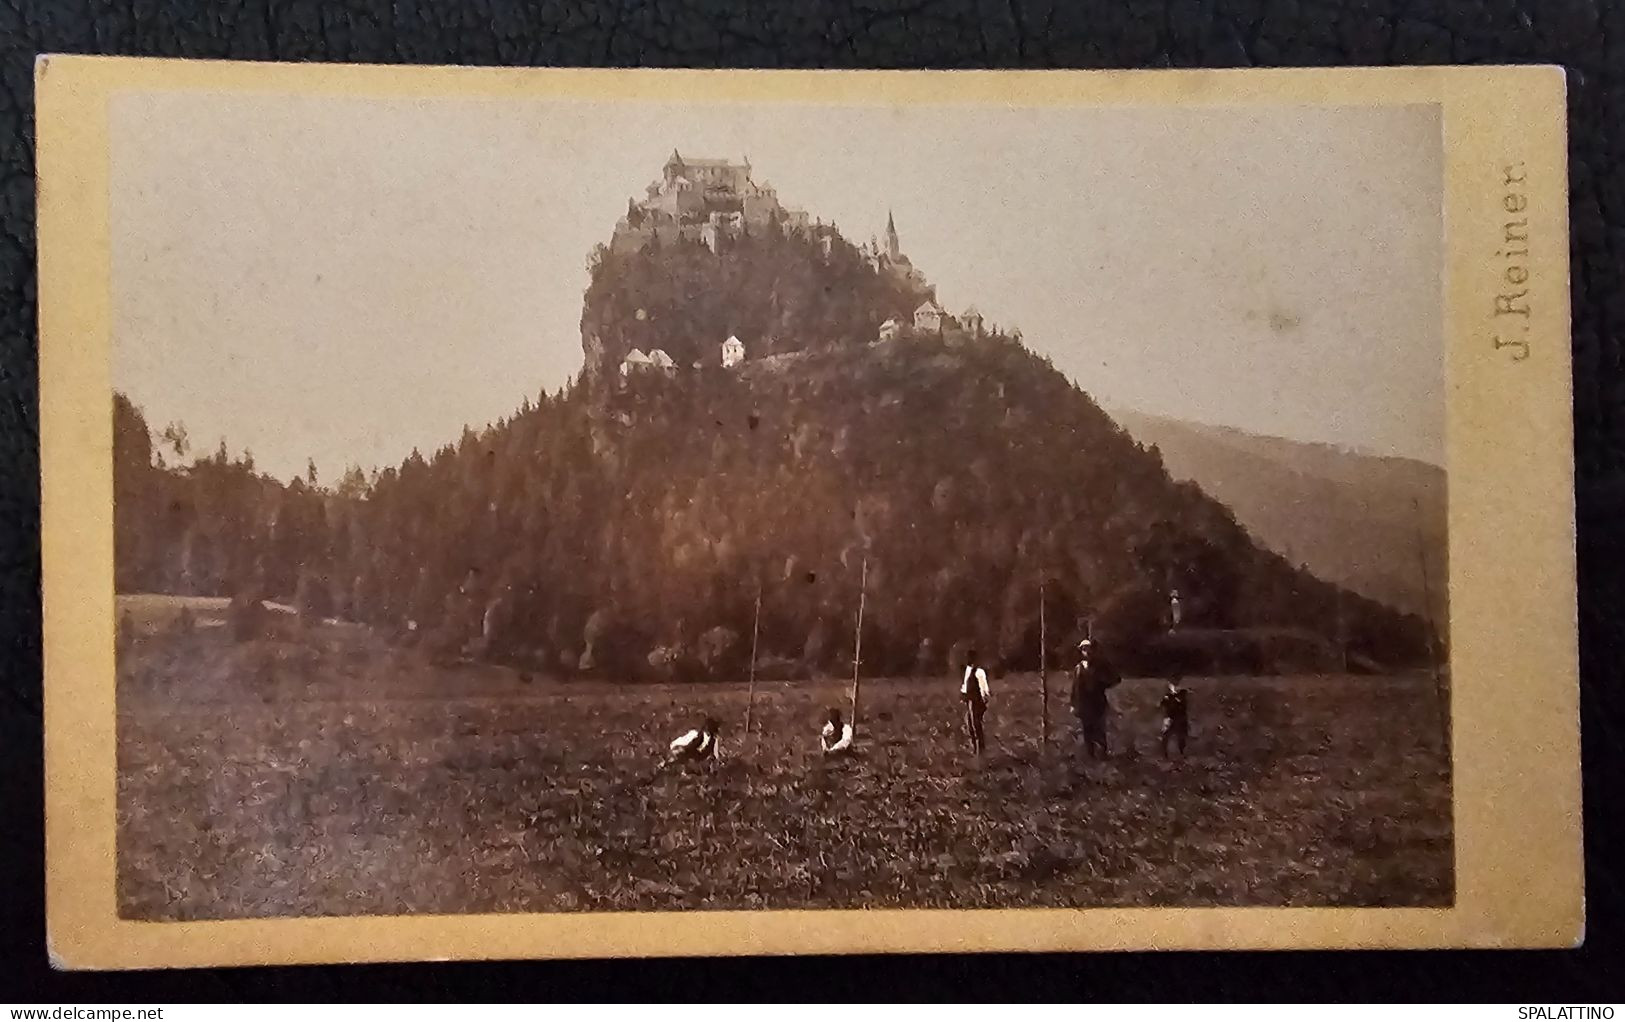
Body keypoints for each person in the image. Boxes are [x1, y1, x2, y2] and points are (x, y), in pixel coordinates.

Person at [1070, 638, 1120, 760]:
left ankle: (1102, 754)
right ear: (1081, 651)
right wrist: (1073, 704)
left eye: (1088, 649)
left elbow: (1115, 678)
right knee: (1087, 730)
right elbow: (1075, 688)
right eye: (1084, 649)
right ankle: (1090, 755)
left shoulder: (1101, 666)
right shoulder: (1078, 668)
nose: (1087, 651)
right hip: (1084, 704)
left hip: (1098, 703)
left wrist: (1102, 683)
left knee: (1099, 728)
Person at [960, 648, 991, 755]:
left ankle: (980, 750)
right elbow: (965, 684)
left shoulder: (979, 672)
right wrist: (963, 695)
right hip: (969, 700)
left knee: (975, 725)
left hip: (976, 701)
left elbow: (984, 688)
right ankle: (974, 748)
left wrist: (984, 700)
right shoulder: (968, 670)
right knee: (969, 725)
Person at [1159, 678, 1190, 758]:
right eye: (1172, 685)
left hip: (1179, 718)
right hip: (1170, 718)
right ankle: (1164, 752)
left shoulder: (1181, 694)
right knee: (1166, 735)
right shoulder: (1169, 696)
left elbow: (1184, 706)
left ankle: (1182, 752)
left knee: (1181, 736)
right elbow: (1162, 705)